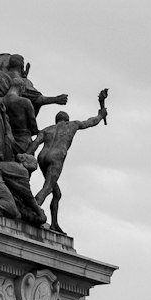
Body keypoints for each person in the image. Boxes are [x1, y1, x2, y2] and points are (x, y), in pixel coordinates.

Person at [33, 91, 108, 230]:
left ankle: (54, 223)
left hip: (42, 156)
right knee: (48, 187)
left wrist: (26, 154)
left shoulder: (47, 129)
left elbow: (35, 143)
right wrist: (100, 115)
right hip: (56, 157)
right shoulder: (72, 125)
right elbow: (90, 122)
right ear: (66, 120)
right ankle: (33, 210)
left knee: (57, 193)